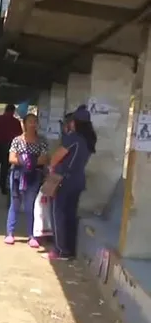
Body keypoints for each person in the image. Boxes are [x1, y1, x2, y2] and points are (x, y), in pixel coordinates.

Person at [46, 106, 95, 260]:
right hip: (78, 180)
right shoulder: (89, 140)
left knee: (57, 213)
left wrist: (51, 168)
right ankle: (69, 249)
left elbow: (56, 157)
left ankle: (60, 250)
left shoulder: (73, 138)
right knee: (70, 215)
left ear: (76, 122)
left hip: (64, 180)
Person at [4, 113, 48, 247]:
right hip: (17, 175)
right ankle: (10, 233)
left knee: (30, 205)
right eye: (30, 121)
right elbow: (11, 158)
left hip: (34, 176)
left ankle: (32, 235)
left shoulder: (41, 141)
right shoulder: (17, 140)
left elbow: (45, 158)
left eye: (35, 122)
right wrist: (26, 161)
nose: (32, 124)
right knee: (15, 204)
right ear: (24, 124)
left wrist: (29, 161)